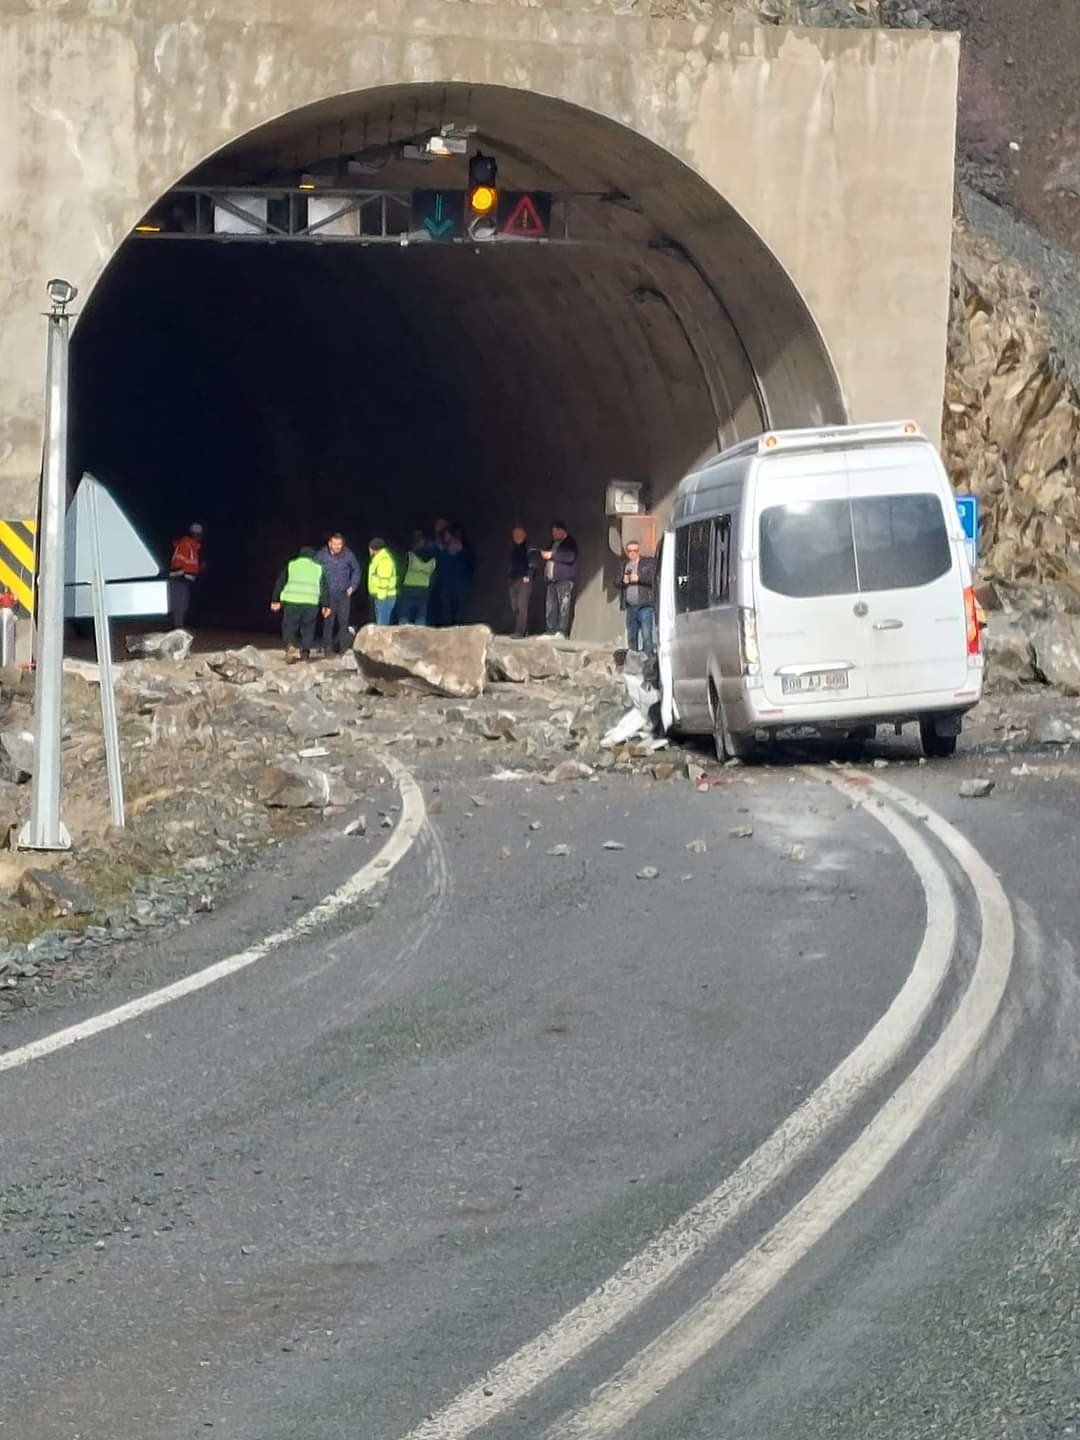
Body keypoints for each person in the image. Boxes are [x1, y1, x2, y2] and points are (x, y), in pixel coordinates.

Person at [270, 546, 330, 663]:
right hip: (310, 603)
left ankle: (290, 645)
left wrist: (275, 600)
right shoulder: (318, 568)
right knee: (308, 628)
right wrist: (325, 605)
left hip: (292, 601)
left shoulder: (292, 565)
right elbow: (324, 588)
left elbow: (280, 582)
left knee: (289, 626)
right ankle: (305, 652)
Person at [314, 531, 361, 656]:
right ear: (329, 544)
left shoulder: (348, 554)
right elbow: (313, 570)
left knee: (343, 622)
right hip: (328, 595)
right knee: (328, 622)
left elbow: (356, 570)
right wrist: (319, 590)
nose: (337, 547)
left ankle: (343, 650)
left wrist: (352, 586)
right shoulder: (321, 555)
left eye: (339, 544)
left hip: (344, 594)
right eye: (334, 544)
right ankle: (327, 650)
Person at [617, 539, 657, 656]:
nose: (632, 553)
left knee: (646, 636)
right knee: (632, 636)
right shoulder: (624, 565)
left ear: (639, 551)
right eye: (630, 551)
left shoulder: (647, 563)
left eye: (635, 550)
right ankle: (633, 662)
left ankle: (649, 661)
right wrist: (623, 581)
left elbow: (653, 580)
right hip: (630, 607)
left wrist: (639, 579)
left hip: (645, 605)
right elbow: (616, 581)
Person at [541, 520, 578, 638]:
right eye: (553, 532)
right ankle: (550, 629)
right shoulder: (553, 543)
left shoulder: (570, 543)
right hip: (551, 579)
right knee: (551, 606)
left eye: (556, 532)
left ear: (563, 531)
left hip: (564, 579)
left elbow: (569, 556)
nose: (554, 534)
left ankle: (561, 631)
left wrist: (552, 555)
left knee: (564, 606)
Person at [168, 523, 204, 630]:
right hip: (179, 578)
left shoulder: (193, 546)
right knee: (180, 604)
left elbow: (190, 564)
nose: (200, 537)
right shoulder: (186, 544)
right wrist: (180, 574)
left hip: (184, 578)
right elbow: (178, 561)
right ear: (194, 534)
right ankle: (178, 626)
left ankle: (178, 625)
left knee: (183, 604)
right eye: (198, 534)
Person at [436, 526, 474, 627]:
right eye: (445, 536)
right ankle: (448, 627)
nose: (448, 539)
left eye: (449, 536)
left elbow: (470, 564)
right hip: (447, 584)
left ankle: (456, 627)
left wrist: (461, 550)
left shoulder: (464, 550)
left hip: (459, 584)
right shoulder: (442, 550)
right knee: (446, 609)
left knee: (458, 608)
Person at [398, 530, 436, 625]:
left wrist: (399, 585)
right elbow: (434, 575)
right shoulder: (433, 559)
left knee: (404, 614)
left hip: (408, 587)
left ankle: (403, 635)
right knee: (421, 615)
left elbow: (402, 571)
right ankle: (420, 635)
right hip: (424, 588)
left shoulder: (410, 556)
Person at [508, 526, 538, 637]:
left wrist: (529, 575)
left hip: (524, 579)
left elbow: (533, 562)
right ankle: (524, 630)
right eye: (514, 534)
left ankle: (520, 631)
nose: (515, 536)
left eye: (518, 534)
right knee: (514, 606)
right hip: (513, 579)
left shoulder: (529, 547)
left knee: (522, 605)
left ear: (524, 535)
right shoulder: (514, 547)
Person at [367, 537, 398, 625]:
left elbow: (384, 581)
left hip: (384, 597)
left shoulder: (384, 560)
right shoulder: (378, 558)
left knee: (382, 625)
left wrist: (380, 597)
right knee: (380, 624)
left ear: (372, 548)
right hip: (380, 596)